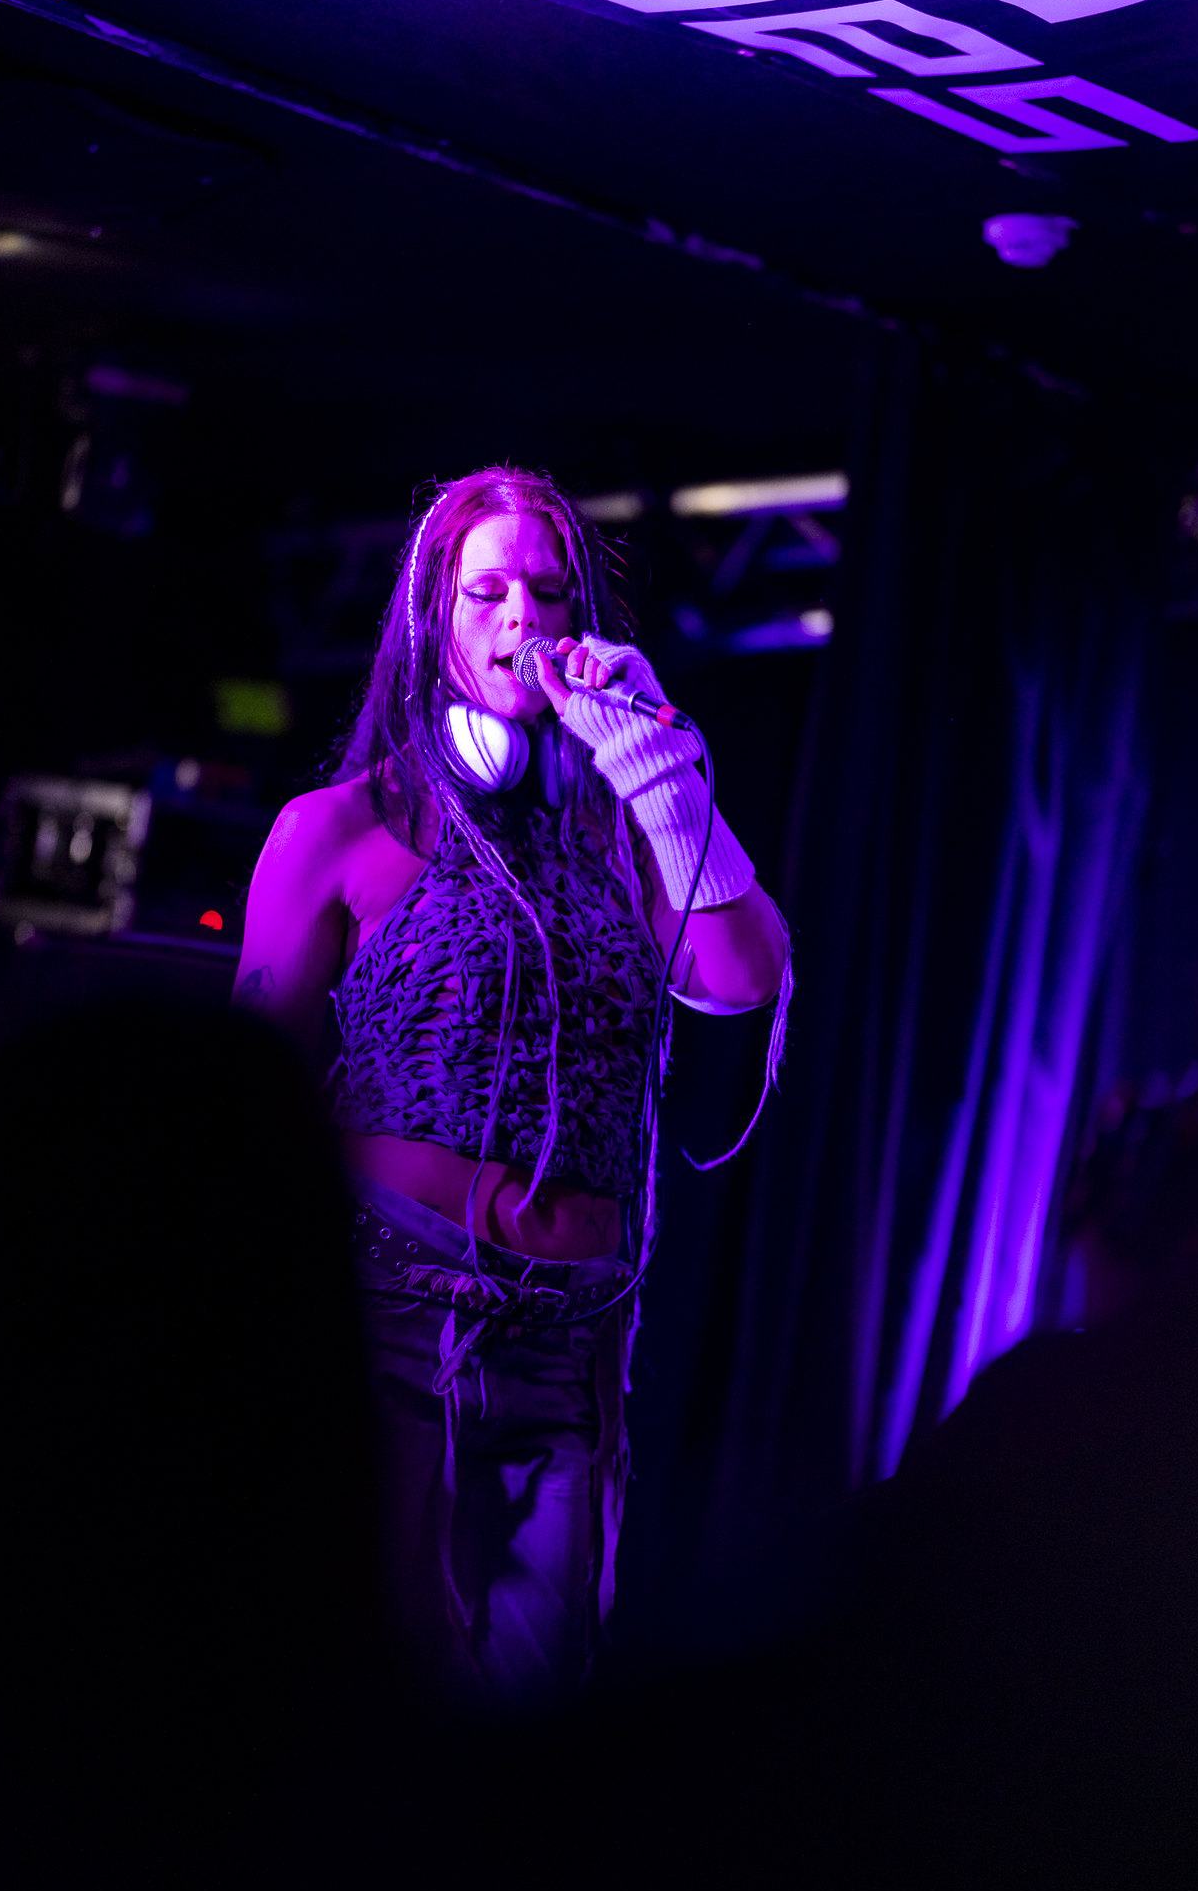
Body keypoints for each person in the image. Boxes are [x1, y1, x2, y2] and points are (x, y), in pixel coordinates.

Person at [235, 465, 788, 1711]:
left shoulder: (620, 833)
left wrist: (656, 767)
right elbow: (251, 1101)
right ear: (434, 618)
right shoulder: (340, 827)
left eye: (545, 589)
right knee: (379, 1695)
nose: (519, 617)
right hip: (385, 1321)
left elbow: (742, 974)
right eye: (485, 590)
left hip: (572, 1337)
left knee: (534, 1705)